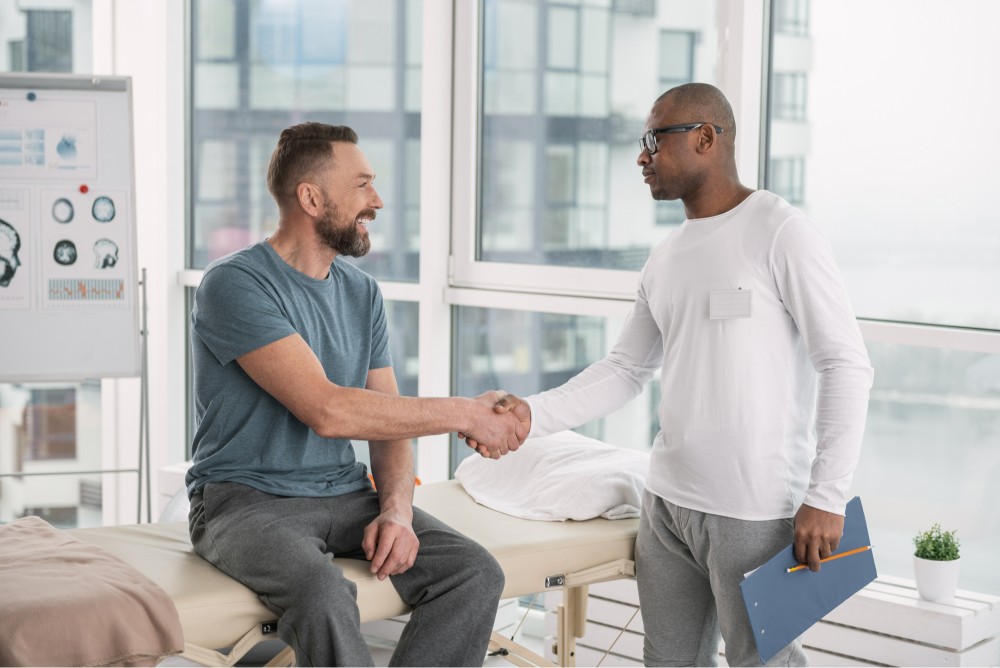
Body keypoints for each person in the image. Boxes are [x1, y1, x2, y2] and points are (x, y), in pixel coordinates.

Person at [482, 83, 874, 666]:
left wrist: (827, 494)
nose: (641, 157)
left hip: (754, 510)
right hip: (666, 507)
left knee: (761, 661)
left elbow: (845, 364)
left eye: (653, 140)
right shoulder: (665, 257)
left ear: (705, 137)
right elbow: (624, 370)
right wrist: (530, 415)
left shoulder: (780, 231)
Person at [186, 122, 524, 666]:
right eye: (362, 185)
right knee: (323, 595)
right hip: (245, 503)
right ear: (312, 198)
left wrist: (396, 510)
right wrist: (465, 411)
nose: (378, 200)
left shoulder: (361, 291)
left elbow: (386, 419)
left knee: (473, 571)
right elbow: (328, 409)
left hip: (344, 493)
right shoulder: (234, 284)